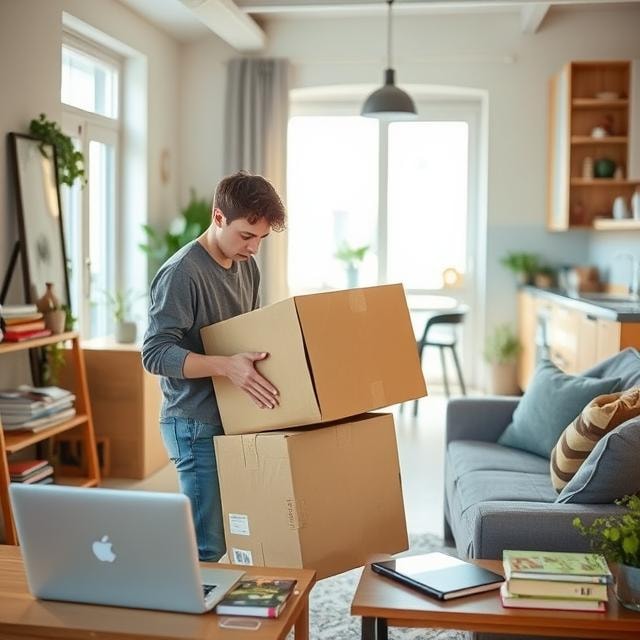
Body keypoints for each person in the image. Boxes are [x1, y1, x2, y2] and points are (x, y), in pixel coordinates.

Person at [142, 171, 286, 561]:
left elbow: (248, 334)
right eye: (246, 235)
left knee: (241, 531)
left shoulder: (247, 267)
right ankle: (186, 614)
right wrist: (226, 367)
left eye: (261, 238)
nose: (254, 248)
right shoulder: (181, 273)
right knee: (207, 545)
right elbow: (154, 353)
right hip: (192, 421)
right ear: (218, 217)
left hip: (232, 415)